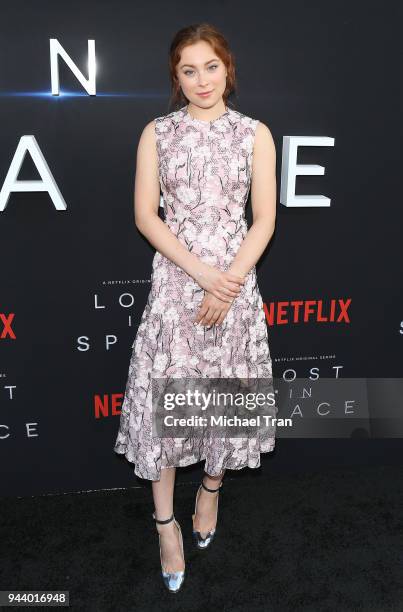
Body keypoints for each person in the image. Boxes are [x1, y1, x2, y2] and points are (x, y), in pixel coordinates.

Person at [114, 22, 277, 593]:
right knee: (170, 403)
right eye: (188, 70)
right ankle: (165, 524)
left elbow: (264, 220)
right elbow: (146, 216)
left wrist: (226, 282)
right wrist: (202, 274)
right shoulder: (157, 133)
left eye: (211, 66)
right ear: (175, 77)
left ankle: (210, 489)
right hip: (177, 286)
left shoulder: (255, 134)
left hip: (234, 288)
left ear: (227, 68)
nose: (201, 80)